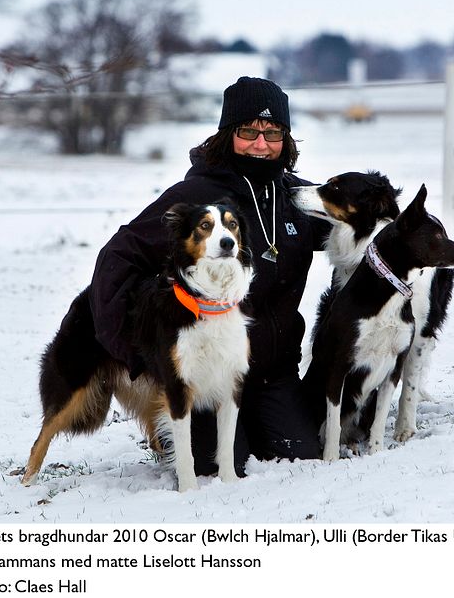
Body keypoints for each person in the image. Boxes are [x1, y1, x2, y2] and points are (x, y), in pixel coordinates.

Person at [89, 76, 329, 477]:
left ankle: (256, 422)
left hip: (272, 371)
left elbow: (359, 223)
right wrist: (141, 355)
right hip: (204, 376)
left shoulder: (294, 198)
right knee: (209, 465)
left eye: (273, 133)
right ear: (227, 134)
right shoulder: (195, 196)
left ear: (286, 140)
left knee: (301, 454)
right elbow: (119, 256)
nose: (260, 143)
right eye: (248, 131)